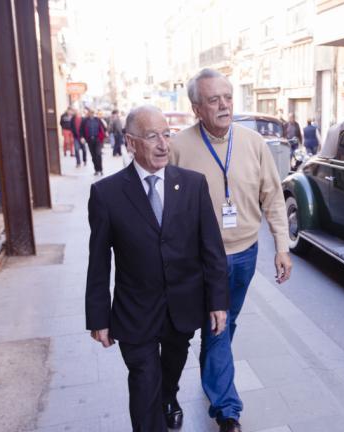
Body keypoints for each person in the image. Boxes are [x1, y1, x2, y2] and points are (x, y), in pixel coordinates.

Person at [85, 105, 228, 431]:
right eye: (153, 136)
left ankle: (169, 395)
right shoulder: (106, 194)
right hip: (135, 311)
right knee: (143, 380)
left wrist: (218, 301)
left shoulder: (193, 185)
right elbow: (98, 262)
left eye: (167, 134)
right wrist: (98, 317)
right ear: (131, 142)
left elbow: (212, 251)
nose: (164, 144)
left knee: (172, 364)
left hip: (183, 305)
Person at [170, 68, 292, 432]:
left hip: (245, 254)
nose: (223, 105)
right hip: (199, 261)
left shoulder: (253, 142)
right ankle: (227, 410)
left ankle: (215, 381)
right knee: (209, 328)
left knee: (225, 324)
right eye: (213, 99)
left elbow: (272, 197)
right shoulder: (179, 146)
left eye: (227, 97)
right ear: (196, 108)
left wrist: (281, 247)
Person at [80, 108, 106, 175]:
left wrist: (105, 133)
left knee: (98, 154)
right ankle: (96, 170)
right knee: (93, 155)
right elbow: (81, 130)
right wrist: (82, 137)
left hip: (97, 139)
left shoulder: (98, 120)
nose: (91, 114)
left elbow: (103, 127)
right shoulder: (85, 121)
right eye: (90, 112)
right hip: (89, 140)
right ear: (88, 113)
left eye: (92, 112)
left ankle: (100, 169)